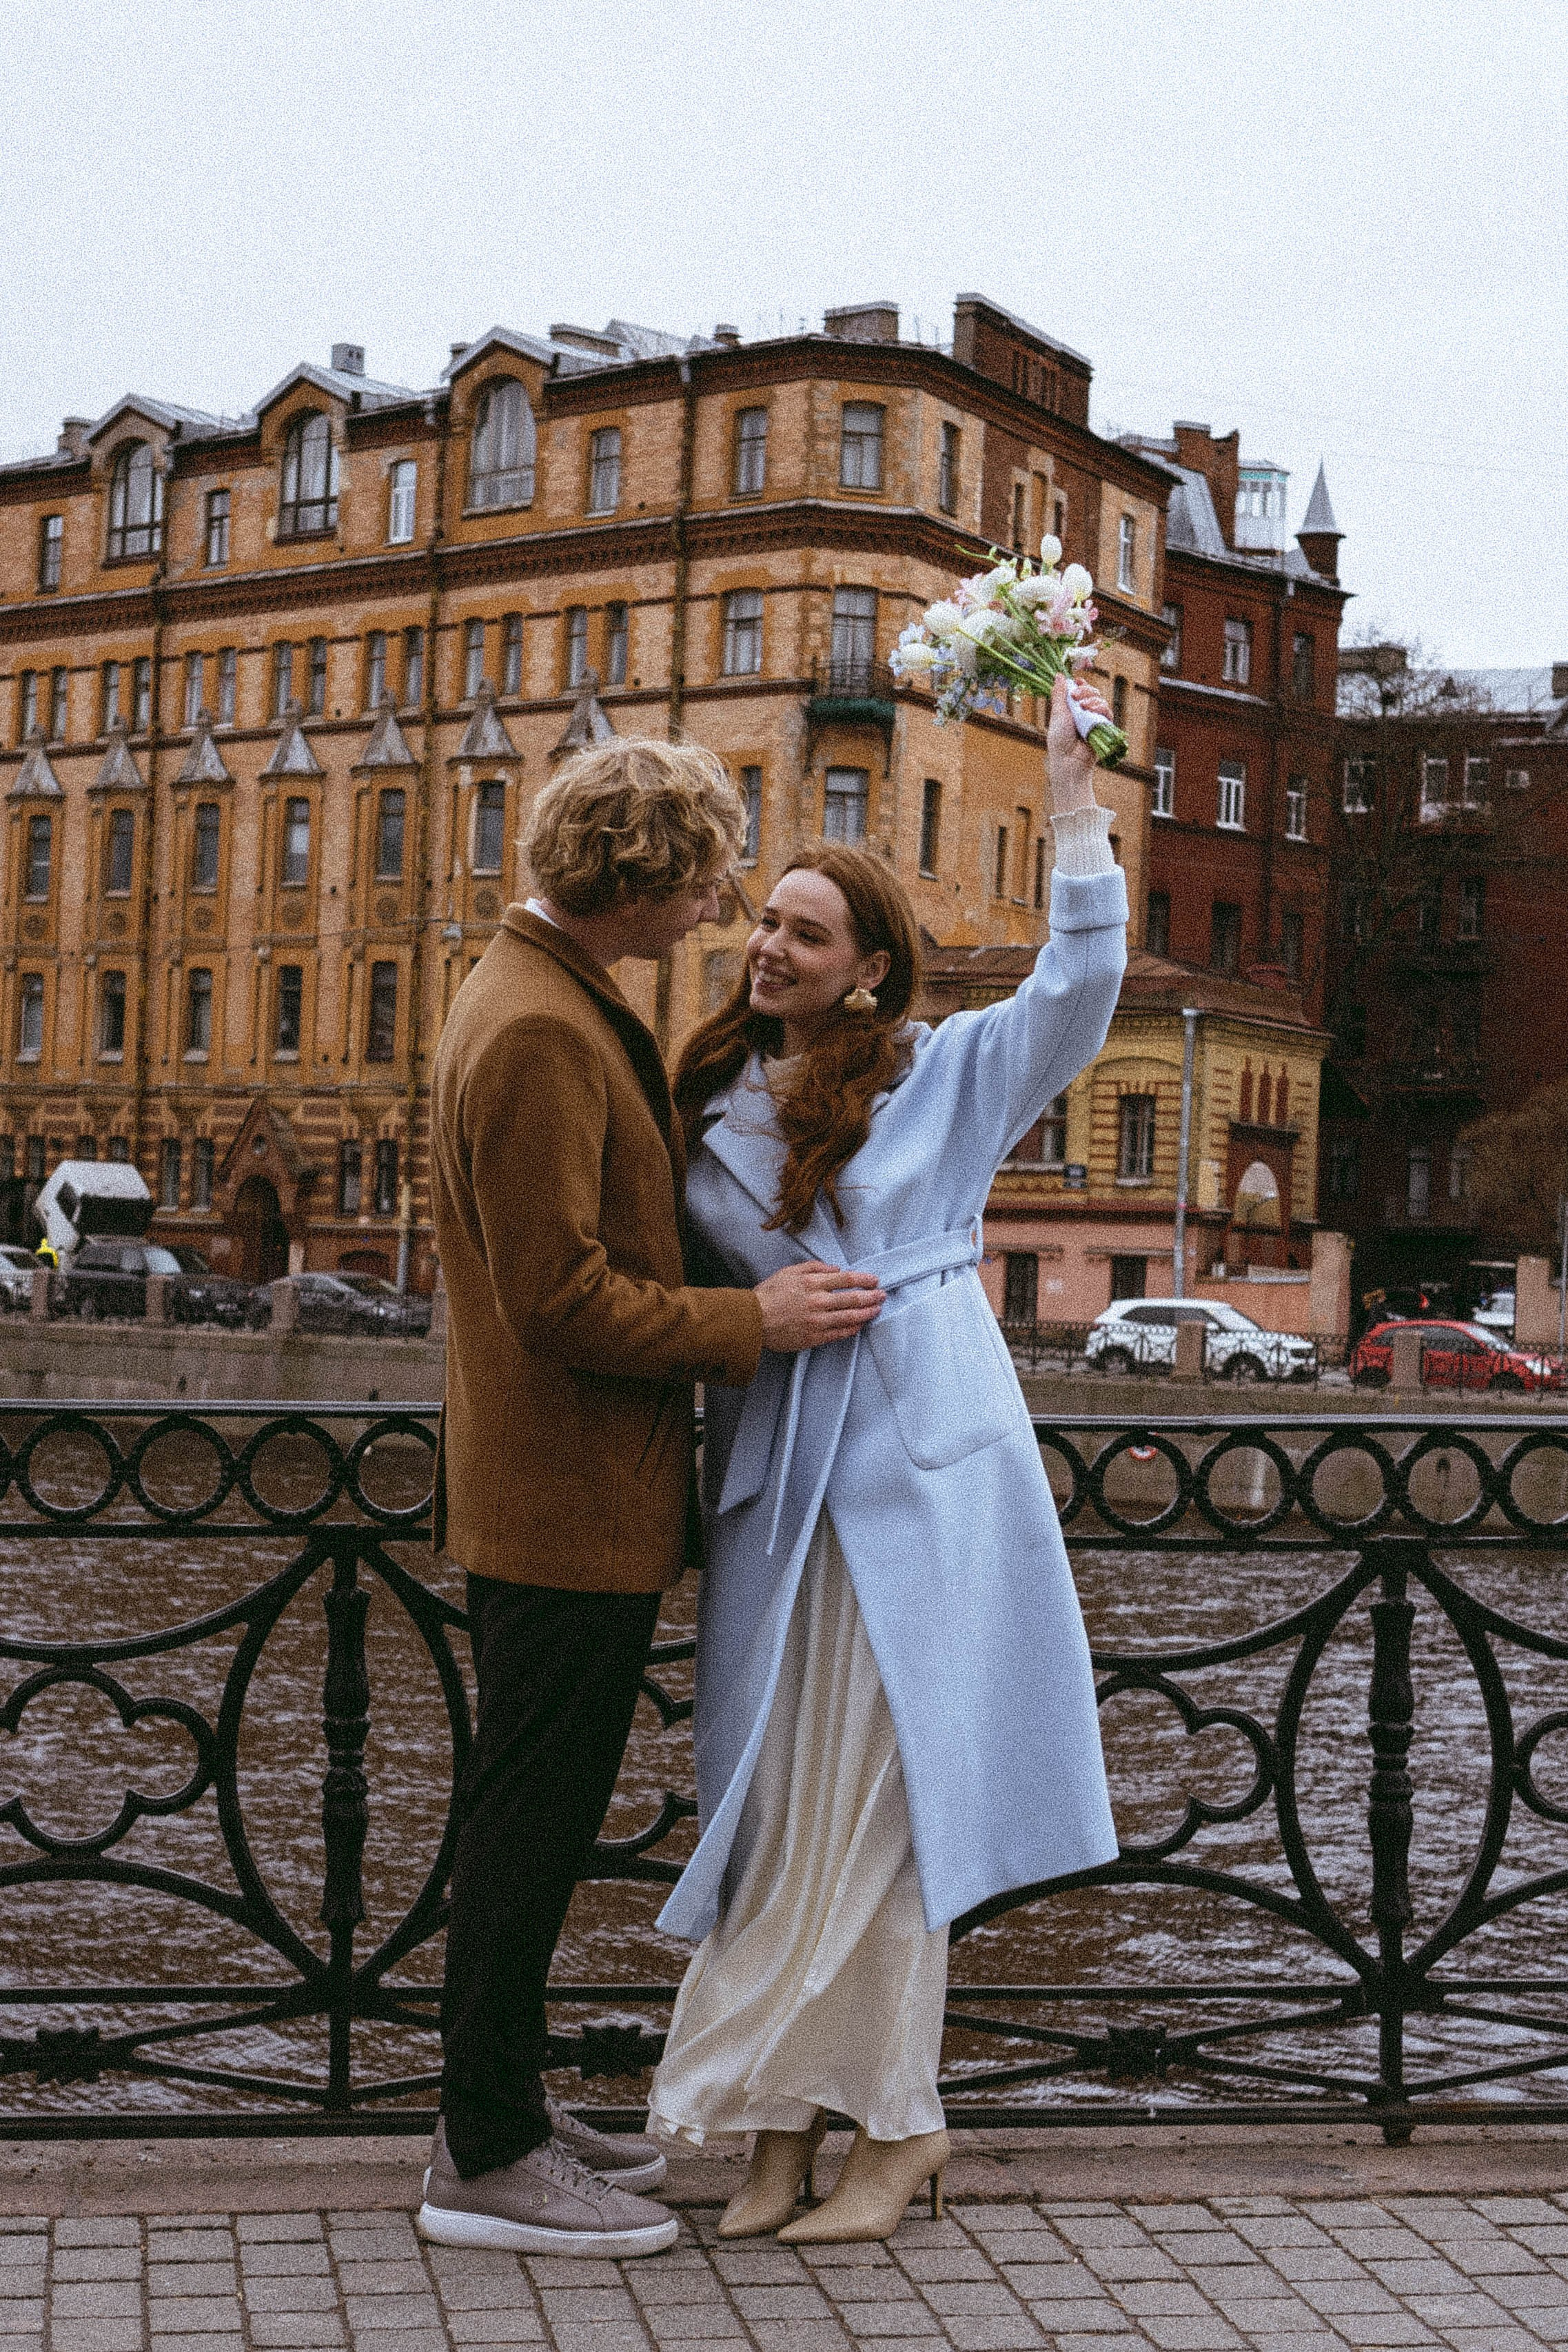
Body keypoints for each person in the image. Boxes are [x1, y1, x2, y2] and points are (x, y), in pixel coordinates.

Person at [646, 676, 1128, 2242]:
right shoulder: (709, 1099)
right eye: (762, 923)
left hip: (923, 1469)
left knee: (886, 1806)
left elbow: (1078, 980)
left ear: (866, 973)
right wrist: (752, 1318)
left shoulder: (941, 1076)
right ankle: (776, 2131)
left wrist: (1067, 798)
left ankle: (897, 2130)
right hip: (783, 1481)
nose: (768, 945)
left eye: (804, 931)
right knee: (782, 1809)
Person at [418, 739, 884, 2259]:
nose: (714, 911)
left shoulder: (542, 989)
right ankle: (483, 2153)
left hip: (558, 1492)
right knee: (525, 1825)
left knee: (528, 1816)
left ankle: (496, 2101)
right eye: (700, 880)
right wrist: (754, 1321)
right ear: (640, 876)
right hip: (562, 1498)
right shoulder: (543, 1028)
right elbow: (558, 1294)